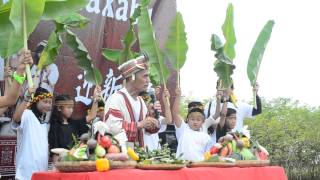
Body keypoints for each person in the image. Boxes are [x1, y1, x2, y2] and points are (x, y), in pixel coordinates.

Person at [104, 54, 160, 149]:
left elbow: (145, 129)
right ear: (132, 77)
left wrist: (153, 123)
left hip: (140, 155)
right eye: (145, 76)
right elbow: (112, 128)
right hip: (120, 156)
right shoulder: (116, 99)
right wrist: (140, 124)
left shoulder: (141, 101)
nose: (148, 80)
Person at [48, 86, 101, 162]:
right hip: (63, 163)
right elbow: (55, 153)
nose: (71, 110)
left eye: (72, 107)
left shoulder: (74, 124)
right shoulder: (55, 127)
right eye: (68, 107)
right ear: (59, 108)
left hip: (77, 163)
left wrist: (95, 98)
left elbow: (92, 116)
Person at [14, 87, 53, 180]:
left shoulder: (44, 122)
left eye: (50, 102)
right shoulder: (27, 114)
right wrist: (27, 98)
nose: (48, 105)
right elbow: (16, 118)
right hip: (25, 173)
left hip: (40, 172)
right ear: (36, 101)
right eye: (45, 102)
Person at [172, 87, 211, 162]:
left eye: (198, 119)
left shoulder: (206, 137)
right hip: (183, 166)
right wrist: (178, 96)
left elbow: (209, 155)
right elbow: (175, 113)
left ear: (203, 121)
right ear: (187, 120)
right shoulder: (183, 129)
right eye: (192, 119)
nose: (195, 122)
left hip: (199, 167)